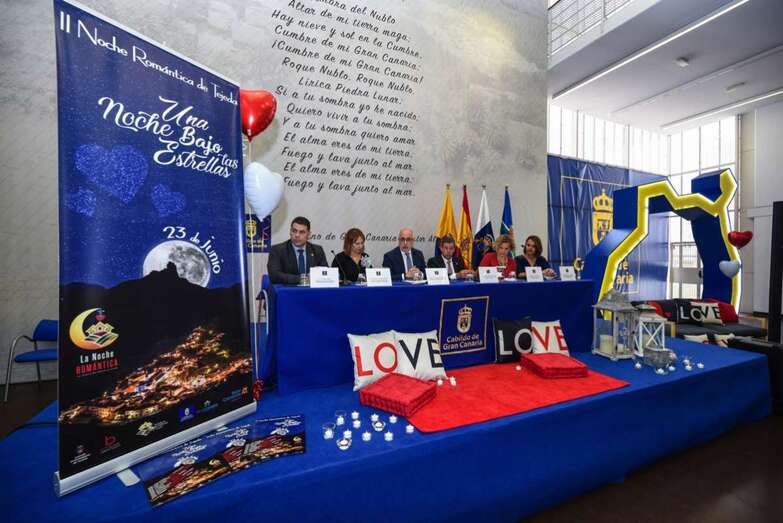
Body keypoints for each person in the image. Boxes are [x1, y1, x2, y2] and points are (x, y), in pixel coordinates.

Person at [267, 216, 328, 284]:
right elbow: (274, 276)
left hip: (311, 290)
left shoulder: (317, 250)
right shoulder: (277, 250)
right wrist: (302, 279)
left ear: (308, 234)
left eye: (302, 232)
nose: (297, 235)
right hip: (288, 290)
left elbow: (325, 273)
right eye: (294, 231)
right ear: (290, 232)